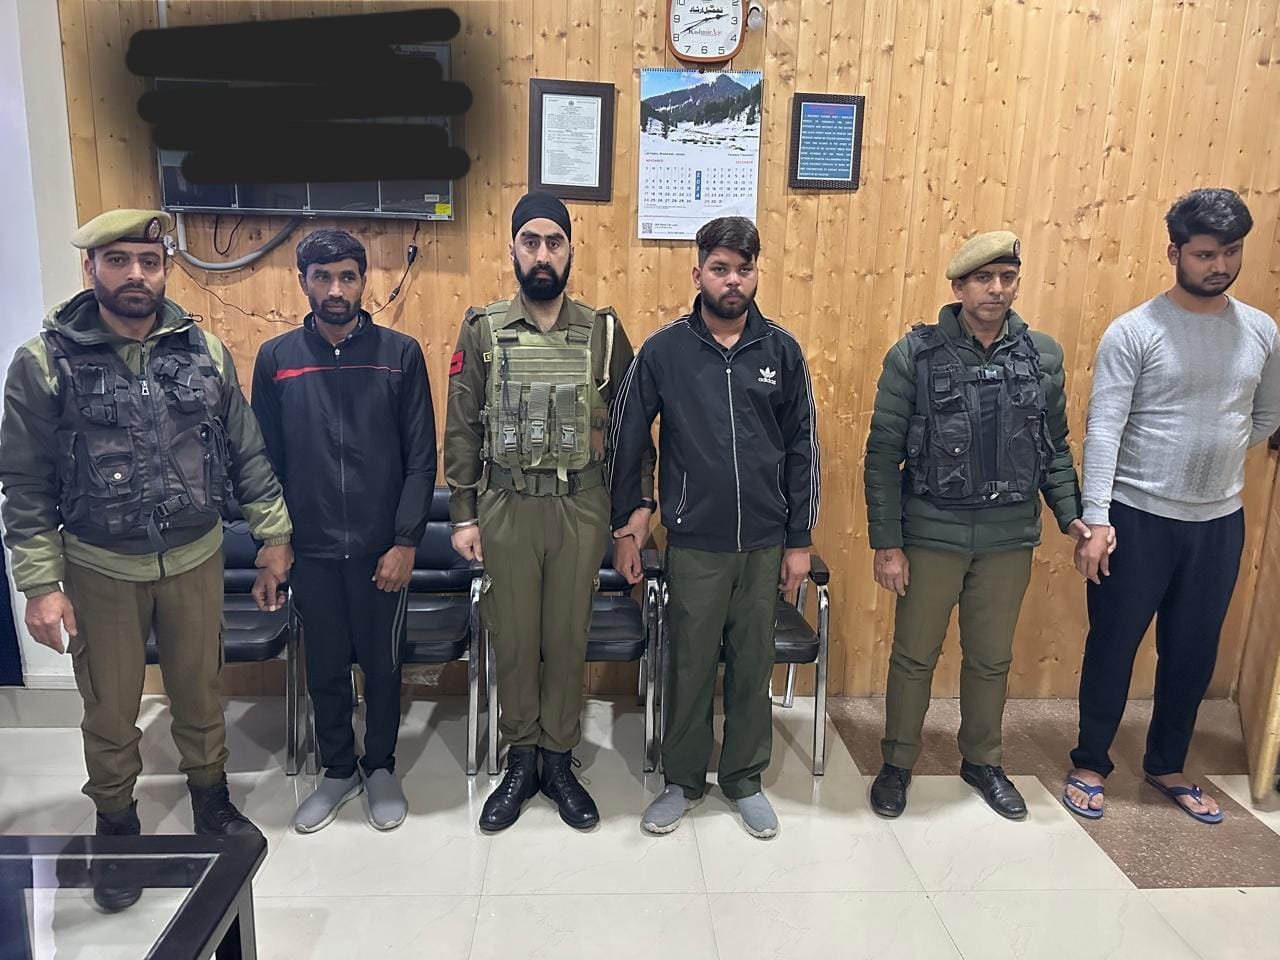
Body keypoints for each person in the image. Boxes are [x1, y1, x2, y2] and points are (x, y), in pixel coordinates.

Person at [0, 209, 293, 911]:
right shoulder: (44, 363)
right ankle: (117, 825)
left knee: (200, 690)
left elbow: (246, 451)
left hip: (195, 557)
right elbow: (25, 482)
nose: (137, 274)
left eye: (150, 261)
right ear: (91, 268)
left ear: (165, 269)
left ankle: (211, 800)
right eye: (119, 261)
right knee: (109, 707)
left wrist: (274, 537)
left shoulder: (204, 351)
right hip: (100, 565)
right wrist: (40, 584)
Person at [1065, 188, 1280, 824]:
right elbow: (1104, 427)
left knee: (1192, 651)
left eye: (1231, 252)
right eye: (1206, 254)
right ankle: (1090, 762)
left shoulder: (1262, 331)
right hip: (1137, 517)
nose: (1220, 265)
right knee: (1114, 644)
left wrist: (1215, 452)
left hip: (1218, 521)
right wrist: (1096, 519)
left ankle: (1166, 764)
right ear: (1175, 253)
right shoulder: (1135, 331)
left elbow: (1266, 414)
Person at [863, 231, 1091, 820]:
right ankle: (897, 762)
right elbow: (883, 453)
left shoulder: (1041, 356)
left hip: (1007, 536)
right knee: (915, 655)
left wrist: (1071, 515)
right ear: (958, 287)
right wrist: (887, 544)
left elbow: (1053, 446)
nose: (997, 289)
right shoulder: (913, 355)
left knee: (990, 659)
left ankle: (983, 760)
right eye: (984, 279)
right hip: (931, 531)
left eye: (1007, 278)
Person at [444, 192, 653, 832]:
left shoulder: (604, 333)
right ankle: (521, 758)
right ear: (512, 249)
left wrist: (634, 514)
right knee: (513, 638)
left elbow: (632, 433)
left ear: (570, 251)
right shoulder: (482, 329)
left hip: (579, 505)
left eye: (554, 242)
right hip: (505, 504)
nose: (542, 254)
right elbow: (461, 425)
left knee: (566, 639)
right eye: (530, 242)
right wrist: (463, 514)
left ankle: (559, 760)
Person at [610, 216, 820, 839]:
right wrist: (631, 521)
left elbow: (803, 448)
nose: (733, 280)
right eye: (720, 268)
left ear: (756, 274)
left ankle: (745, 780)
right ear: (697, 272)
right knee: (690, 665)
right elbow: (627, 437)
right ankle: (681, 780)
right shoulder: (665, 351)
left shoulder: (781, 351)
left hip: (763, 542)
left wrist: (800, 540)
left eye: (744, 269)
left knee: (752, 665)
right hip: (694, 541)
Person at [252, 229, 435, 834]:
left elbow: (421, 459)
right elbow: (264, 462)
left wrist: (405, 541)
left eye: (347, 277)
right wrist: (274, 543)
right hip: (311, 550)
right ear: (303, 282)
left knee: (382, 667)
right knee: (326, 667)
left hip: (383, 550)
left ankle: (379, 766)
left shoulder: (399, 354)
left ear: (363, 281)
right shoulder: (276, 360)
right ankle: (337, 770)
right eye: (323, 277)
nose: (336, 289)